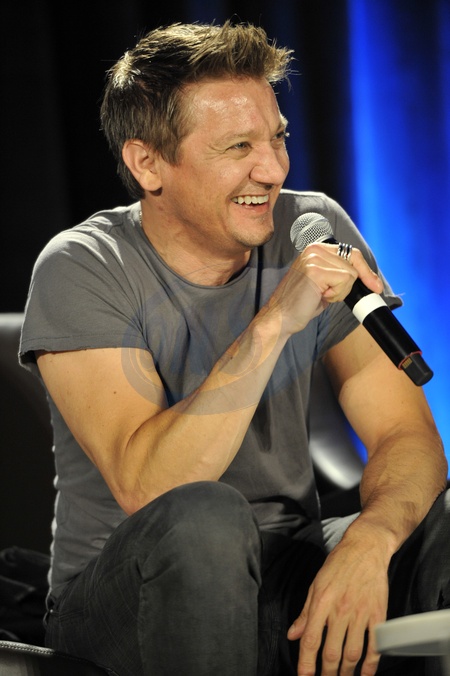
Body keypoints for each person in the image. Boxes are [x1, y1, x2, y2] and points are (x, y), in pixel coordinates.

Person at [19, 20, 449, 676]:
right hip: (127, 591)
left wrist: (369, 541)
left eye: (278, 138)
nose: (272, 169)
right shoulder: (83, 266)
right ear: (148, 164)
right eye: (238, 146)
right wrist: (275, 322)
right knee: (206, 517)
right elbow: (152, 487)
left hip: (287, 571)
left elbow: (405, 435)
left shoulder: (313, 225)